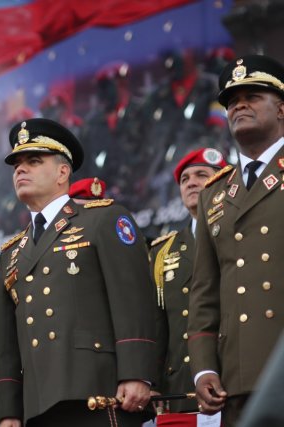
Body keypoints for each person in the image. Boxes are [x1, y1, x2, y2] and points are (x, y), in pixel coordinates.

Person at [0, 118, 156, 427]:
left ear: (62, 172)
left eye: (33, 160)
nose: (20, 169)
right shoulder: (10, 253)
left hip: (98, 391)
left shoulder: (103, 219)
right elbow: (6, 348)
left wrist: (137, 373)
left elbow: (132, 300)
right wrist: (8, 412)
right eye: (17, 163)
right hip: (38, 402)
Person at [187, 54, 284, 426]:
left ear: (281, 109)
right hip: (236, 378)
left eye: (252, 95)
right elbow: (205, 292)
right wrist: (202, 369)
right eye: (231, 100)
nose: (238, 105)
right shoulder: (215, 193)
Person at [149, 148, 227, 414]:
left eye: (201, 175)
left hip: (233, 375)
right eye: (184, 179)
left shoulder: (240, 234)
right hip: (181, 386)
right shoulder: (162, 251)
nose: (191, 182)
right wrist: (154, 380)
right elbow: (157, 323)